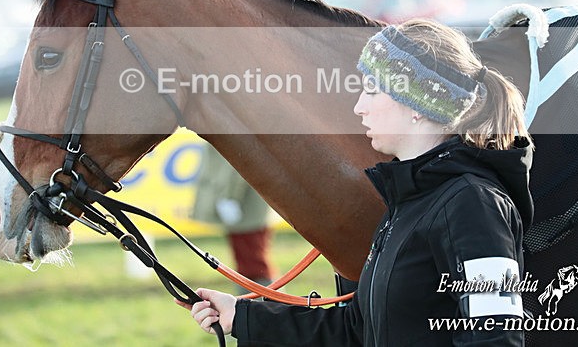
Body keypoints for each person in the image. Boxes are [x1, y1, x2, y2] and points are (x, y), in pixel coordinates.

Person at [177, 20, 534, 346]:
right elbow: (359, 329)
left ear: (418, 104)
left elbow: (497, 336)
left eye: (372, 91)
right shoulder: (408, 201)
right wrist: (241, 316)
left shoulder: (473, 203)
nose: (359, 106)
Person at [191, 143, 276, 287]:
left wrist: (230, 197)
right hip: (241, 203)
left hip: (245, 204)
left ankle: (268, 302)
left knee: (254, 263)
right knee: (247, 262)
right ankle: (258, 301)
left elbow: (238, 163)